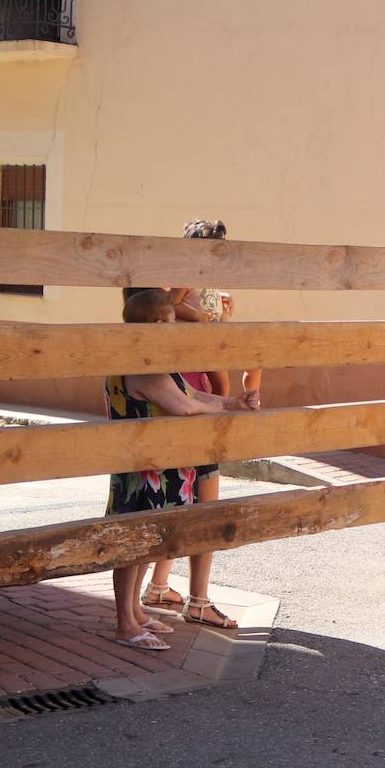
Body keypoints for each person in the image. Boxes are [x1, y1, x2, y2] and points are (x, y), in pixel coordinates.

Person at [107, 290, 260, 650]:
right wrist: (223, 408)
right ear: (157, 324)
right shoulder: (141, 366)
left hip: (157, 467)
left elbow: (191, 393)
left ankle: (135, 613)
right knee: (132, 547)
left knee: (145, 546)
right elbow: (183, 406)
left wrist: (231, 403)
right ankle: (125, 624)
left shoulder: (153, 360)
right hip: (142, 471)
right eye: (173, 321)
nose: (177, 327)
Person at [138, 219, 258, 629]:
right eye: (210, 251)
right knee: (197, 498)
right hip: (184, 393)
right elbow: (164, 313)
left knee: (186, 496)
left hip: (199, 388)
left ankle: (158, 585)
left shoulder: (201, 292)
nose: (214, 261)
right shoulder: (173, 292)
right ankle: (199, 599)